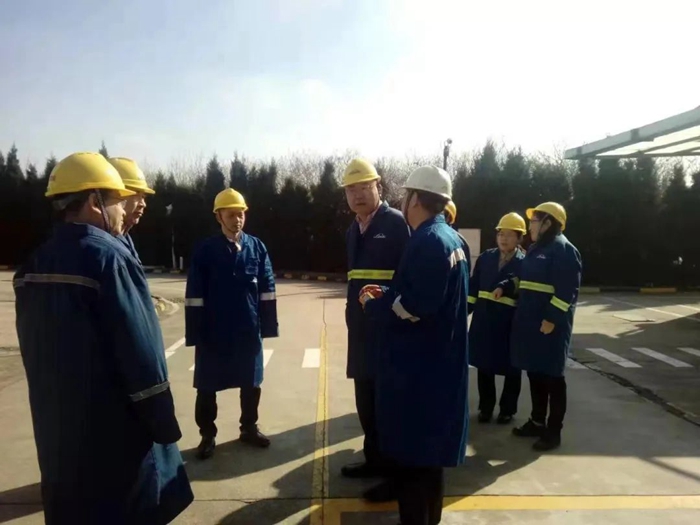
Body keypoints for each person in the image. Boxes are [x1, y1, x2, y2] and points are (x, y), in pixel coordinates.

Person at [13, 152, 193, 524]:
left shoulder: (33, 264)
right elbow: (142, 355)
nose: (125, 210)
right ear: (96, 202)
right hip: (115, 434)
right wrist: (163, 423)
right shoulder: (108, 258)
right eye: (118, 201)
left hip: (58, 433)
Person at [360, 165, 470, 525]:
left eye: (406, 195)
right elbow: (424, 295)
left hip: (418, 373)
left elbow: (413, 308)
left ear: (416, 199)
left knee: (412, 463)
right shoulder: (452, 239)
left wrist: (374, 304)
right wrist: (388, 292)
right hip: (438, 366)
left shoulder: (426, 241)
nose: (402, 202)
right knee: (430, 463)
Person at [184, 188, 279, 460]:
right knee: (207, 385)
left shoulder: (256, 248)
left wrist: (267, 326)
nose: (237, 220)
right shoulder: (205, 251)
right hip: (213, 332)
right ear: (218, 217)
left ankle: (248, 428)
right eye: (231, 215)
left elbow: (267, 289)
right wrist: (196, 333)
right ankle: (207, 435)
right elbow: (194, 294)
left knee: (252, 382)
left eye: (241, 215)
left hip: (248, 330)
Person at [341, 158, 410, 502]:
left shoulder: (396, 224)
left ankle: (395, 476)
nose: (357, 195)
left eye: (364, 187)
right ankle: (374, 461)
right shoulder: (353, 230)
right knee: (366, 403)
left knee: (389, 407)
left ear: (378, 187)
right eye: (351, 190)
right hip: (360, 332)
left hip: (388, 332)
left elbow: (408, 278)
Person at [496, 202, 582, 451]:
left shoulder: (564, 250)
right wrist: (507, 286)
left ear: (548, 223)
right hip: (530, 325)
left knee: (553, 378)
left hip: (550, 328)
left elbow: (567, 291)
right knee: (535, 373)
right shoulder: (535, 250)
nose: (531, 225)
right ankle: (536, 421)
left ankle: (553, 432)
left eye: (534, 221)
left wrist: (551, 319)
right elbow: (524, 279)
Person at [468, 212, 526, 424]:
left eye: (509, 235)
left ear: (519, 238)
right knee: (484, 367)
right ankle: (486, 408)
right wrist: (464, 309)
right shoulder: (486, 258)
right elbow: (473, 287)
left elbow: (522, 288)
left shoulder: (525, 262)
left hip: (510, 324)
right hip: (484, 321)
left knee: (512, 369)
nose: (503, 238)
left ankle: (507, 410)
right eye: (501, 234)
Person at [108, 157, 155, 264]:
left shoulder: (125, 239)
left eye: (143, 197)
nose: (143, 204)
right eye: (135, 195)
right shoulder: (101, 248)